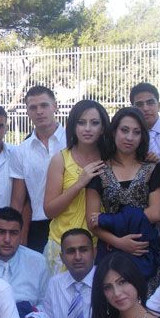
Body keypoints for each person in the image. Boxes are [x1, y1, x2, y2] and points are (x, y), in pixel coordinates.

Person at [86, 107, 160, 293]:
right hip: (111, 252)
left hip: (146, 250)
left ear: (142, 137)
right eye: (124, 130)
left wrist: (110, 220)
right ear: (114, 132)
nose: (130, 137)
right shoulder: (98, 172)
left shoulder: (154, 169)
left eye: (136, 132)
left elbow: (156, 213)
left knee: (149, 304)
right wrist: (119, 242)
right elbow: (92, 221)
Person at [43, 100, 108, 275]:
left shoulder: (111, 159)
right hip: (63, 245)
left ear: (103, 128)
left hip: (100, 245)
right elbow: (49, 210)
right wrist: (80, 183)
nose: (87, 128)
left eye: (94, 123)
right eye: (81, 122)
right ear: (73, 126)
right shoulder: (61, 159)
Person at [10, 85, 67, 253]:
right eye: (33, 107)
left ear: (55, 106)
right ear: (27, 112)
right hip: (39, 225)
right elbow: (18, 200)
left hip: (72, 220)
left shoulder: (72, 141)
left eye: (44, 105)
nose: (39, 111)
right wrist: (15, 231)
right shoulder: (21, 151)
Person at [0, 206, 50, 317]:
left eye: (13, 233)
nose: (7, 239)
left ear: (21, 235)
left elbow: (47, 305)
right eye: (1, 232)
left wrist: (34, 317)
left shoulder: (38, 263)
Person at [130, 82, 160, 168]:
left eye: (150, 103)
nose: (145, 108)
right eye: (139, 104)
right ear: (133, 109)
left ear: (159, 106)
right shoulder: (128, 135)